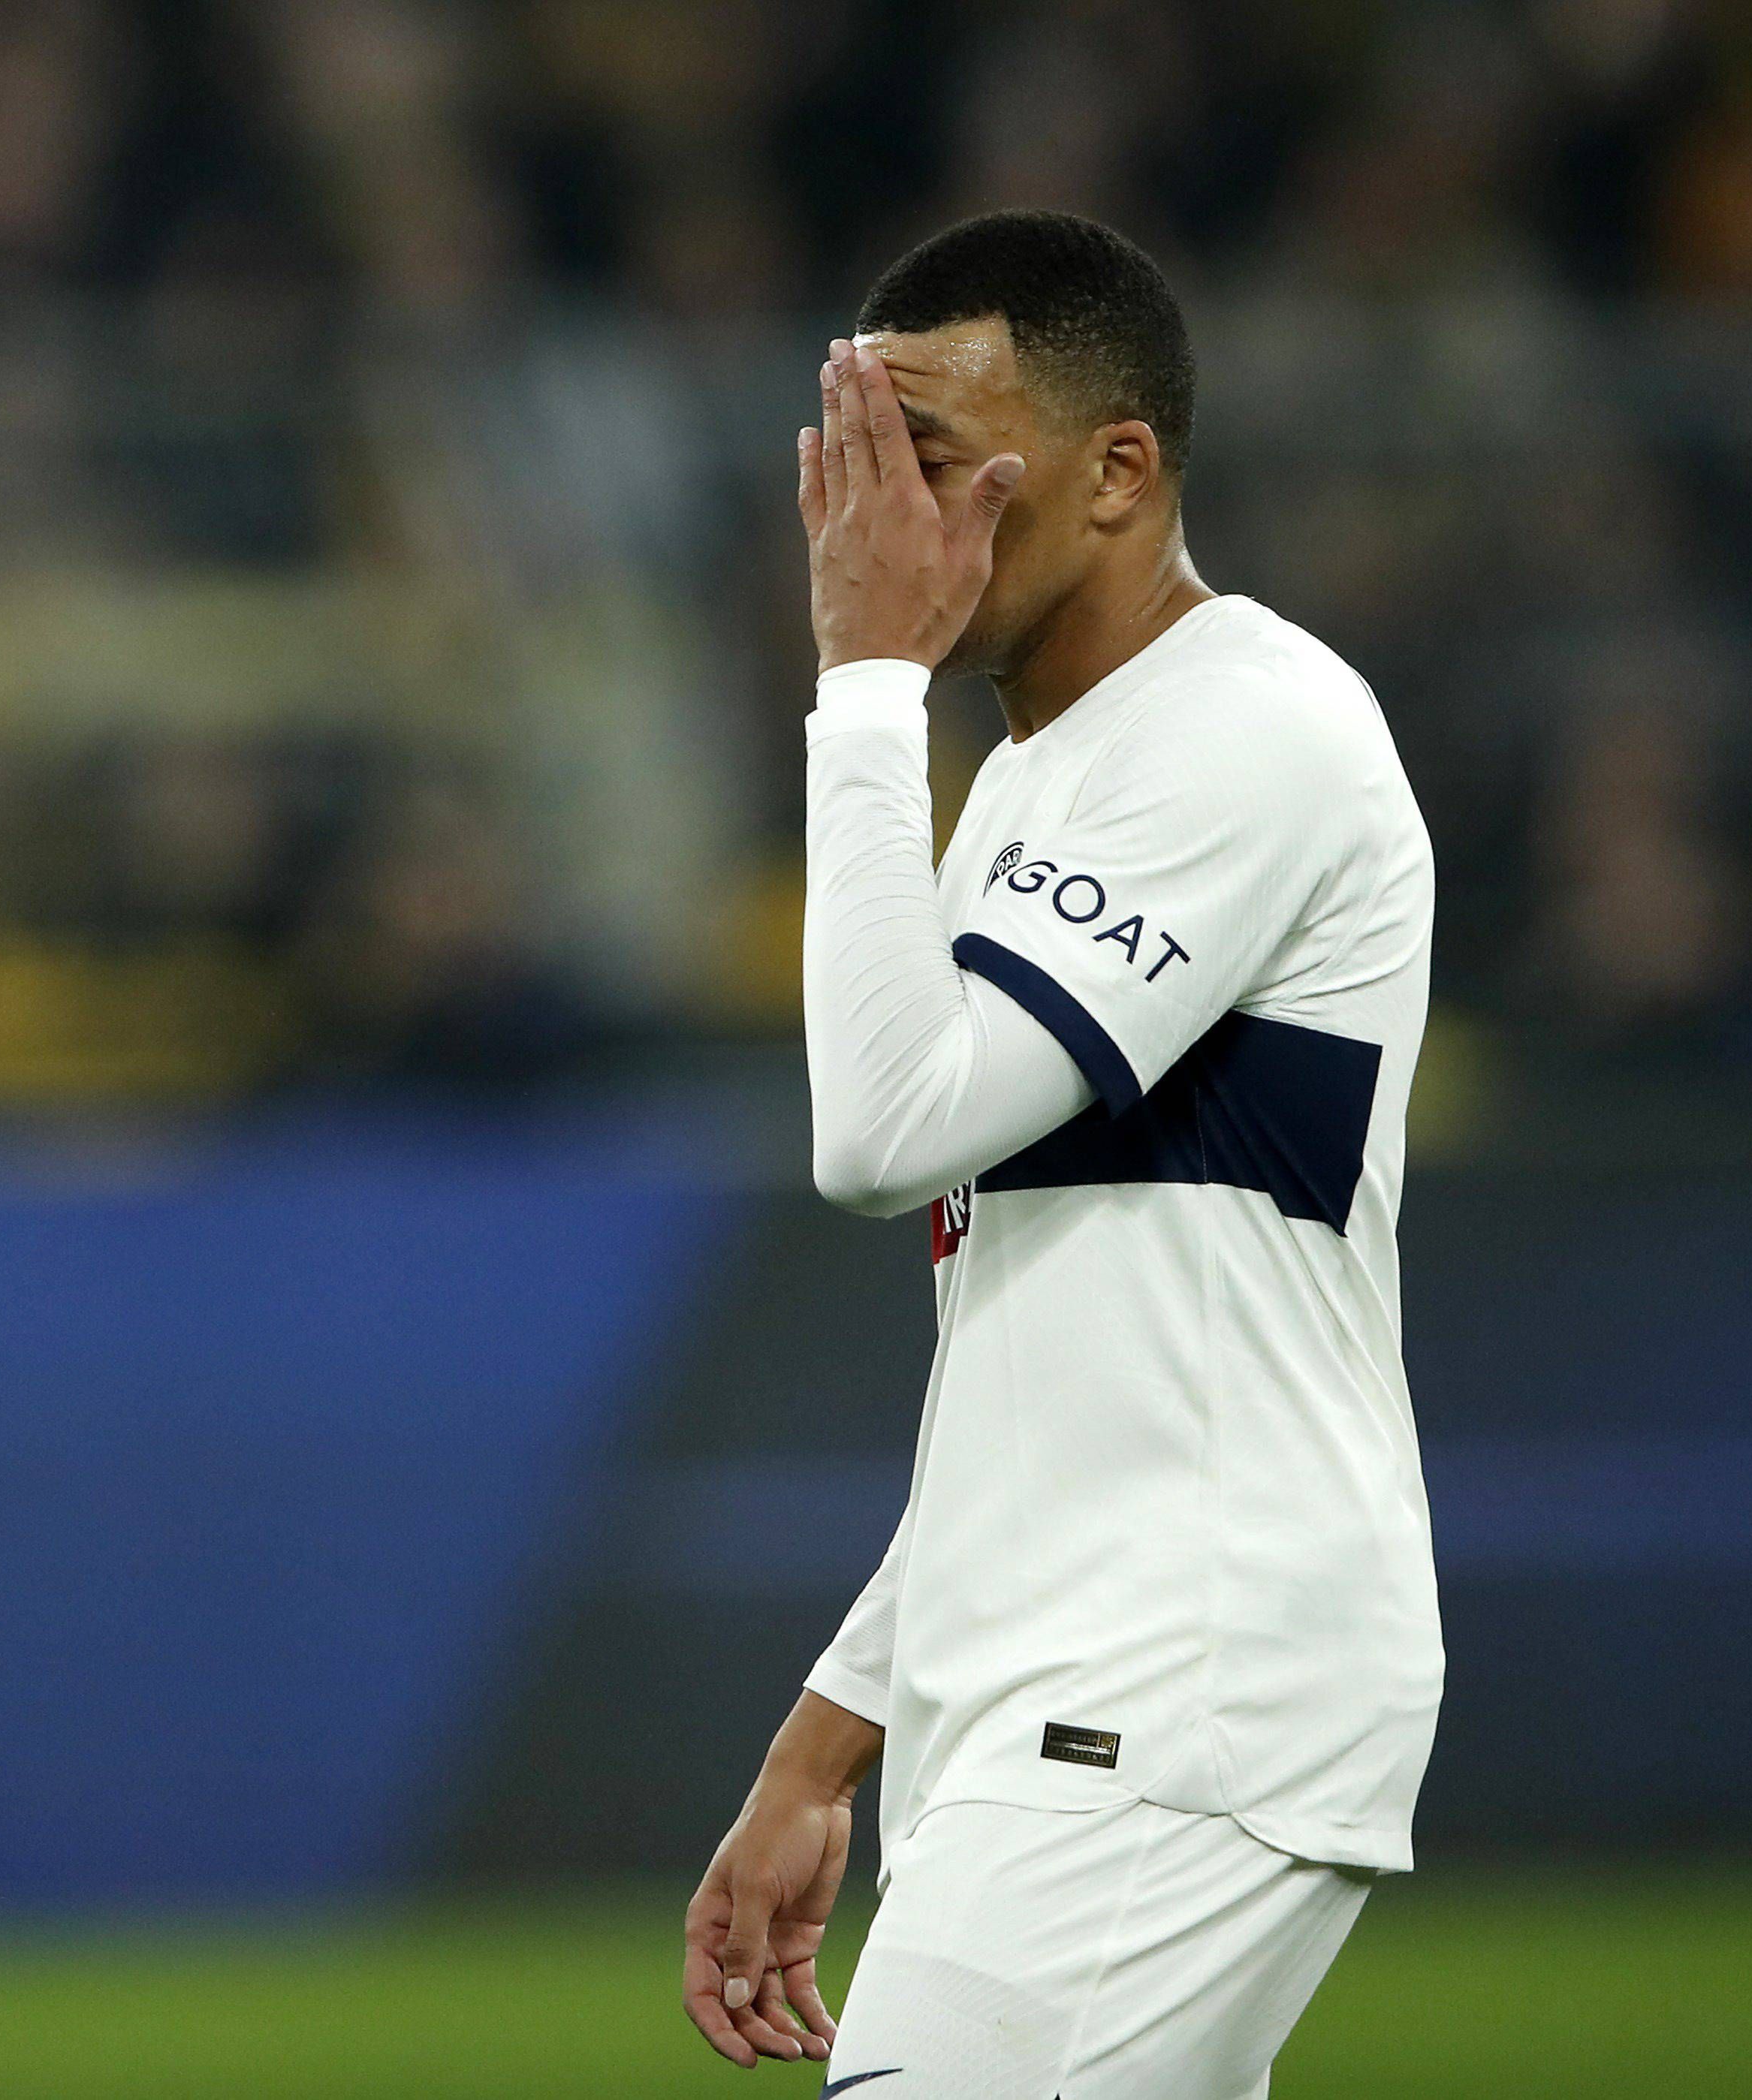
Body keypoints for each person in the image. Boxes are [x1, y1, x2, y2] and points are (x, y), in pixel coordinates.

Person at [680, 210, 1443, 2098]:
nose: (881, 521)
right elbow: (1044, 1370)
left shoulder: (1251, 725)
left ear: (1119, 473)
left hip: (1179, 1680)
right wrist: (821, 1744)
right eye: (857, 461)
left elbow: (874, 1133)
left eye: (933, 460)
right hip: (1058, 1687)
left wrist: (861, 686)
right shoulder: (1037, 781)